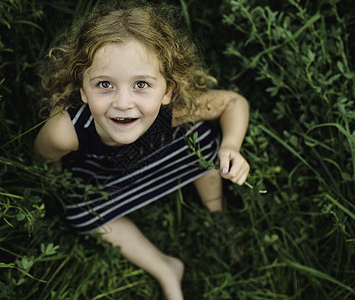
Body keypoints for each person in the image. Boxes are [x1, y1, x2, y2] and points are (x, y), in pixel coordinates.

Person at [34, 2, 250, 299]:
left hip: (159, 157)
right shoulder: (65, 131)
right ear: (83, 88)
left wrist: (231, 146)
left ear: (168, 91)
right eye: (105, 84)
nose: (123, 102)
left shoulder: (175, 109)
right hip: (105, 174)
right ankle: (166, 268)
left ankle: (217, 215)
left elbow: (232, 103)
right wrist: (60, 188)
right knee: (80, 213)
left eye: (141, 85)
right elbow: (46, 160)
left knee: (201, 139)